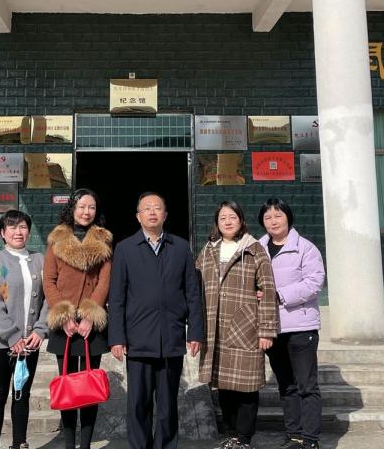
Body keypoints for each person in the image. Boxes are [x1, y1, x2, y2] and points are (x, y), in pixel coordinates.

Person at [108, 191, 205, 449]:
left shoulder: (181, 248)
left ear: (165, 214)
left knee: (167, 404)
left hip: (171, 337)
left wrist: (195, 332)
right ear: (138, 216)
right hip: (138, 339)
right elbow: (116, 298)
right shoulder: (125, 249)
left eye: (157, 207)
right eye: (147, 208)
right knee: (138, 403)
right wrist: (116, 337)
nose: (152, 212)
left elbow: (192, 294)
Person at [196, 200, 278, 449]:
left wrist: (266, 330)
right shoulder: (208, 250)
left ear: (241, 220)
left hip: (245, 328)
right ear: (217, 223)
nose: (228, 222)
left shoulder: (254, 249)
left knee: (246, 388)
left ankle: (244, 438)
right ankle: (231, 434)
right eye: (223, 218)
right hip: (215, 330)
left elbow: (268, 290)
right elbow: (193, 286)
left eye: (232, 217)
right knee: (224, 387)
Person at [43, 188, 114, 449]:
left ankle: (85, 444)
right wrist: (64, 316)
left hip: (90, 325)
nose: (86, 212)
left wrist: (90, 316)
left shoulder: (103, 240)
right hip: (65, 324)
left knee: (89, 388)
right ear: (72, 209)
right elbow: (49, 280)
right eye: (82, 206)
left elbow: (105, 281)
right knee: (68, 386)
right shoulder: (56, 240)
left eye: (91, 207)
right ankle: (69, 443)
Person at [258, 198, 326, 449]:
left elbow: (314, 282)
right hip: (272, 328)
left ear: (288, 217)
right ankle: (294, 435)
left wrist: (279, 295)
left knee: (307, 385)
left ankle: (310, 439)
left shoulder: (305, 248)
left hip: (301, 327)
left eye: (278, 215)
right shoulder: (257, 248)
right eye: (268, 217)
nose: (273, 221)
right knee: (286, 385)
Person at [0, 210, 49, 449]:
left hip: (30, 342)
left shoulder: (40, 260)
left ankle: (20, 443)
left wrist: (41, 330)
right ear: (2, 233)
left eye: (22, 227)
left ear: (29, 231)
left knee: (22, 394)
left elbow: (50, 299)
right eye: (12, 227)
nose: (18, 232)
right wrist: (12, 336)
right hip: (1, 343)